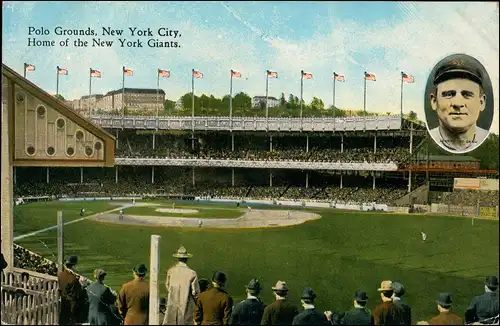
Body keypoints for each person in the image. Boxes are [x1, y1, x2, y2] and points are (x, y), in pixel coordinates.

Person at [428, 54, 490, 153]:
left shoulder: (491, 140)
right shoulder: (427, 139)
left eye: (467, 94)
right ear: (434, 101)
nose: (457, 103)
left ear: (481, 102)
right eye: (448, 94)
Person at [163, 246, 200, 325]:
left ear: (178, 258)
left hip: (172, 303)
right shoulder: (192, 273)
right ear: (186, 259)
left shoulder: (171, 271)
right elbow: (195, 293)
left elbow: (167, 285)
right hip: (186, 305)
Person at [58, 255, 87, 325]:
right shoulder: (73, 279)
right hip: (72, 306)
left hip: (64, 304)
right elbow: (77, 293)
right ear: (73, 266)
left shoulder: (61, 275)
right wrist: (83, 284)